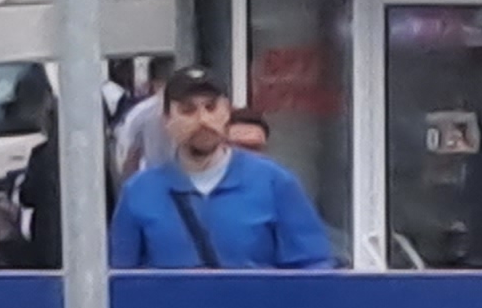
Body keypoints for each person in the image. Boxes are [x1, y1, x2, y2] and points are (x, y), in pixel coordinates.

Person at [111, 66, 340, 269]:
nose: (202, 120)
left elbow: (313, 269)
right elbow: (118, 281)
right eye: (188, 110)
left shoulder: (275, 183)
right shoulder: (139, 193)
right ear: (167, 120)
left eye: (211, 108)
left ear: (227, 113)